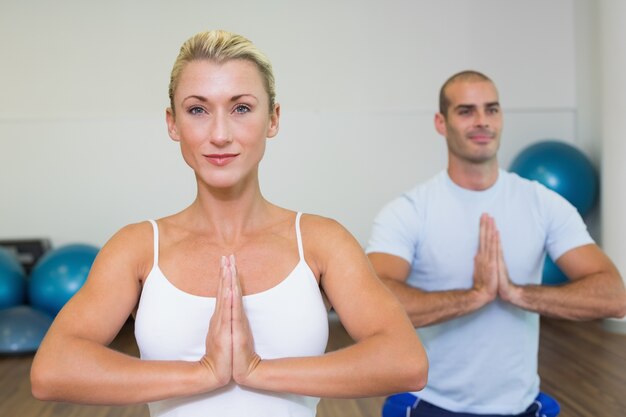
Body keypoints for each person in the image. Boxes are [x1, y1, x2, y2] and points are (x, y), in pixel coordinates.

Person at [30, 30, 428, 417]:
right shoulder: (138, 248)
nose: (219, 134)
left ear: (273, 119)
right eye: (197, 110)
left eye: (241, 108)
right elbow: (52, 371)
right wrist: (203, 374)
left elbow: (405, 360)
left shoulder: (321, 242)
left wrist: (257, 370)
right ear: (173, 123)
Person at [366, 70, 626, 417]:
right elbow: (372, 303)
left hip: (521, 405)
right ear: (440, 123)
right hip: (434, 402)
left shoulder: (541, 202)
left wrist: (517, 293)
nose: (482, 121)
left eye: (491, 110)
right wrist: (473, 296)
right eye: (466, 111)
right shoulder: (410, 210)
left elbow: (613, 296)